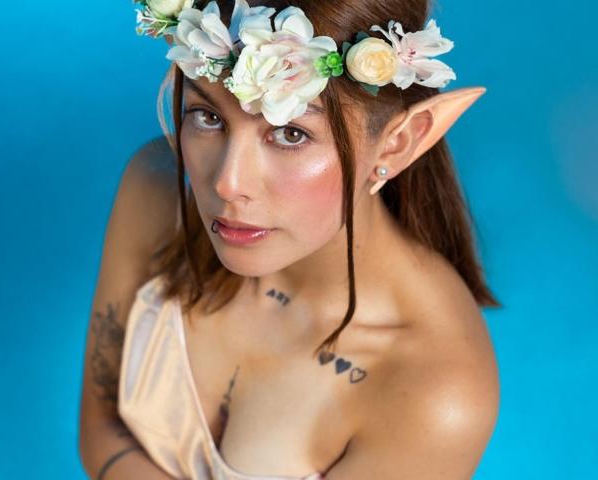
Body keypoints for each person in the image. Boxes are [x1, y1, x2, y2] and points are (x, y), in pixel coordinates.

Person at [78, 0, 501, 478]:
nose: (227, 184)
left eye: (290, 133)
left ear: (396, 144)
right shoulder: (156, 192)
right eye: (208, 116)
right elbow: (100, 428)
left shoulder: (434, 391)